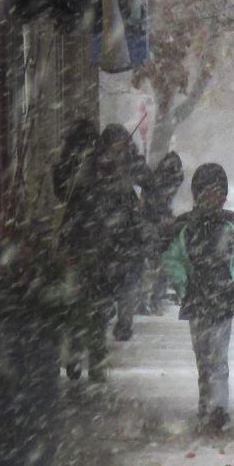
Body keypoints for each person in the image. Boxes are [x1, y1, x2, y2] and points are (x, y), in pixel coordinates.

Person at [162, 163, 234, 435]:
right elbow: (172, 259)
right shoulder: (185, 227)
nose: (213, 199)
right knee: (204, 357)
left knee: (218, 357)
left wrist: (232, 285)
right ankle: (207, 404)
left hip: (222, 301)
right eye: (207, 193)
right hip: (197, 300)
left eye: (217, 193)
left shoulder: (232, 225)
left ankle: (219, 408)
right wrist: (184, 287)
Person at [52, 119, 109, 381]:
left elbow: (63, 193)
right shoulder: (90, 165)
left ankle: (80, 357)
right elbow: (64, 191)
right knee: (92, 307)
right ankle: (93, 361)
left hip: (80, 242)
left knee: (78, 305)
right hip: (90, 243)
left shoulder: (90, 165)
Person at [97, 123, 155, 343]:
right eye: (114, 148)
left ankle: (124, 323)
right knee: (104, 283)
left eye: (121, 147)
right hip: (104, 236)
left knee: (129, 282)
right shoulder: (99, 167)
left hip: (129, 235)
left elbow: (151, 185)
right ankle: (103, 317)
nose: (118, 152)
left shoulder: (133, 164)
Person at [143, 151, 185, 313]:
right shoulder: (161, 185)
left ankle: (152, 298)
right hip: (155, 227)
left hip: (157, 227)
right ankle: (154, 298)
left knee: (158, 263)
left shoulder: (159, 182)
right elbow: (156, 206)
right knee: (160, 263)